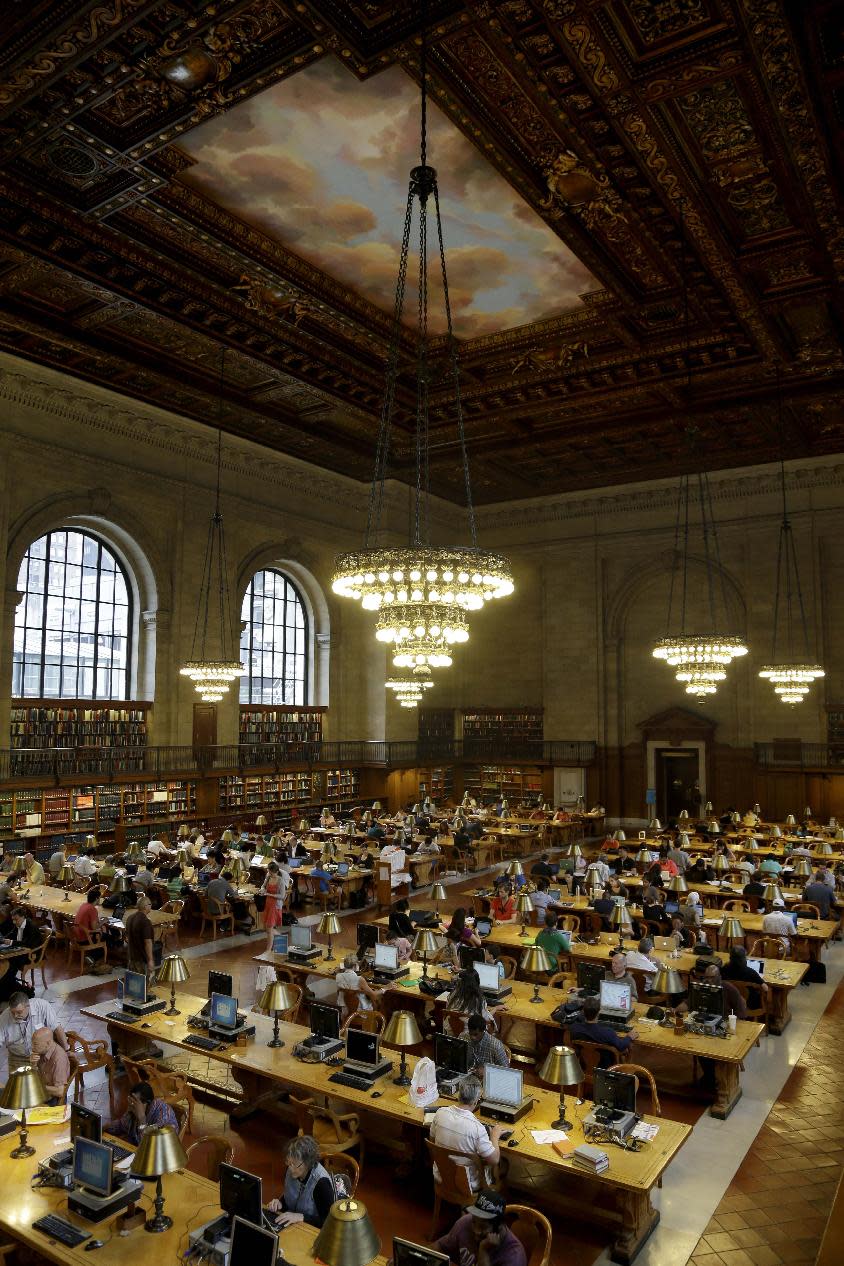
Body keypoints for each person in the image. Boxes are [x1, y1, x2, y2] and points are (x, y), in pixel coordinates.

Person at [429, 1077, 504, 1192]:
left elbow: (432, 1140)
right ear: (476, 1101)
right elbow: (494, 1160)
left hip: (441, 1176)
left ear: (459, 1094)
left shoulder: (440, 1113)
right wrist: (494, 1136)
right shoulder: (477, 1128)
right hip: (467, 1184)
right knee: (503, 1164)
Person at [435, 1188, 526, 1266]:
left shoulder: (514, 1257)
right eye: (474, 1222)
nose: (476, 1230)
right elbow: (440, 1246)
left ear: (499, 1226)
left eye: (483, 1227)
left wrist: (483, 1251)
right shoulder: (466, 1222)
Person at [267, 1134, 334, 1228]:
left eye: (295, 1164)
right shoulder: (292, 1170)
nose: (290, 1169)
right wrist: (280, 1203)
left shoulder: (321, 1183)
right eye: (288, 1163)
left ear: (308, 1162)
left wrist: (302, 1217)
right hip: (292, 1224)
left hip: (311, 1230)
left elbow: (329, 1222)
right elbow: (290, 1198)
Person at [0, 992, 68, 1072]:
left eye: (19, 1012)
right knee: (17, 1084)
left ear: (28, 1006)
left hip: (42, 1056)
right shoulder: (4, 1018)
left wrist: (65, 1051)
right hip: (18, 1058)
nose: (15, 1016)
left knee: (44, 1083)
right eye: (12, 1012)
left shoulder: (42, 1006)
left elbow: (57, 1028)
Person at [567, 995, 637, 1064]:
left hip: (583, 1066)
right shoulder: (608, 1033)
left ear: (583, 1012)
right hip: (604, 1069)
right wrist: (629, 1037)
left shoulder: (574, 1029)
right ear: (599, 1013)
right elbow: (621, 1046)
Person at [110, 1080, 178, 1145]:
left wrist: (141, 1119)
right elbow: (121, 1125)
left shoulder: (163, 1115)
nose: (130, 1106)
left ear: (147, 1103)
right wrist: (103, 1127)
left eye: (134, 1103)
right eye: (130, 1101)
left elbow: (151, 1148)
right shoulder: (132, 1111)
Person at [31, 1026, 72, 1104]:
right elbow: (36, 1076)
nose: (32, 1048)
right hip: (42, 1093)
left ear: (48, 1043)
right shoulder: (42, 1051)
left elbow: (60, 1091)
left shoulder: (58, 1058)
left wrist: (37, 1088)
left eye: (35, 1044)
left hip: (53, 1100)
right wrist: (33, 1064)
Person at [721, 945, 768, 1011]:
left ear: (730, 957)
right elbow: (765, 988)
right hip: (748, 1004)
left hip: (729, 1001)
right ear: (744, 958)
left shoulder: (724, 969)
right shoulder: (751, 972)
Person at [261, 861, 289, 951]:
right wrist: (262, 890)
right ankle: (281, 939)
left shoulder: (280, 881)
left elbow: (282, 896)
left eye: (271, 872)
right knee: (267, 928)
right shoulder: (268, 877)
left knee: (269, 928)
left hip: (275, 905)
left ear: (276, 872)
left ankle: (268, 950)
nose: (269, 874)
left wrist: (269, 894)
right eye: (269, 872)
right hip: (268, 904)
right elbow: (263, 886)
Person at [125, 894, 155, 977]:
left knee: (133, 984)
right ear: (145, 906)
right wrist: (150, 960)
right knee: (143, 984)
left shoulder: (130, 918)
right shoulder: (145, 921)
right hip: (141, 958)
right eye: (150, 904)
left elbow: (127, 937)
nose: (151, 906)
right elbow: (148, 942)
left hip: (131, 956)